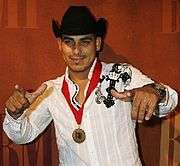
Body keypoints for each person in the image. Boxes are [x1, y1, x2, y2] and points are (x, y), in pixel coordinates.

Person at [3, 6, 178, 166]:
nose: (76, 51)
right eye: (69, 42)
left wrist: (154, 91)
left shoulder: (122, 74)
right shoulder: (50, 90)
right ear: (60, 45)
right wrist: (14, 114)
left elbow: (168, 104)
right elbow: (23, 135)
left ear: (97, 43)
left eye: (84, 42)